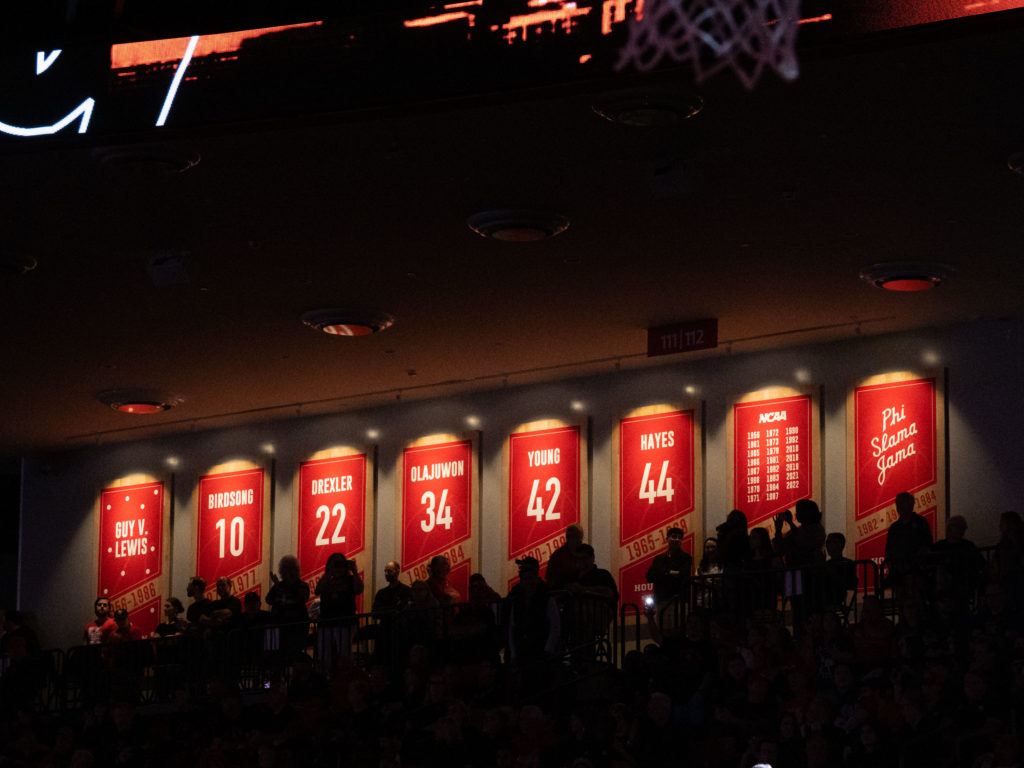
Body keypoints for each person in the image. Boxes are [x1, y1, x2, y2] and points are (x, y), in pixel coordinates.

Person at [506, 556, 560, 666]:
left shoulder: (545, 596)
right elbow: (512, 626)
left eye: (530, 578)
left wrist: (548, 650)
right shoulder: (517, 598)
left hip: (538, 650)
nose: (528, 582)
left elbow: (555, 626)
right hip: (525, 650)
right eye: (526, 579)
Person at [315, 552, 363, 670]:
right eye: (334, 563)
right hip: (326, 622)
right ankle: (325, 675)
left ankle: (344, 675)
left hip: (345, 622)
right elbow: (318, 590)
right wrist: (329, 573)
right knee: (324, 654)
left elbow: (359, 589)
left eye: (340, 563)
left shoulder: (350, 579)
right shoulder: (327, 580)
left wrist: (354, 571)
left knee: (344, 653)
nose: (337, 565)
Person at [883, 492, 933, 597]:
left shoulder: (921, 523)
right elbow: (888, 551)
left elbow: (927, 547)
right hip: (899, 574)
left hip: (917, 572)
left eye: (903, 503)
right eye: (898, 504)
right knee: (902, 601)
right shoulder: (894, 528)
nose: (900, 506)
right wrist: (893, 568)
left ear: (911, 505)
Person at [645, 526, 693, 605]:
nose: (677, 539)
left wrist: (663, 573)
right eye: (674, 536)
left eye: (679, 537)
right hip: (660, 600)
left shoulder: (686, 558)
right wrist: (671, 573)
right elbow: (649, 577)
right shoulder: (658, 558)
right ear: (667, 539)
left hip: (679, 601)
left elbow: (682, 575)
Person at [546, 524, 584, 591]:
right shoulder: (558, 555)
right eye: (570, 536)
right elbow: (550, 578)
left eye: (576, 536)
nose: (573, 539)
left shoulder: (558, 554)